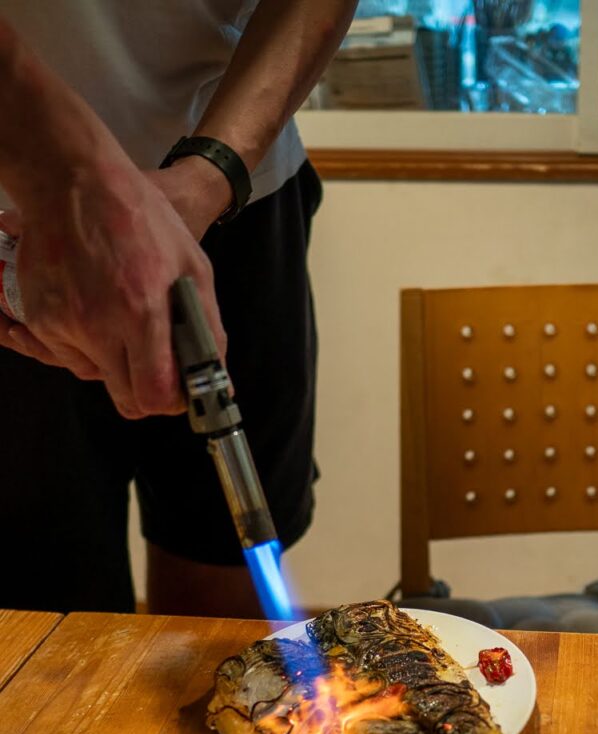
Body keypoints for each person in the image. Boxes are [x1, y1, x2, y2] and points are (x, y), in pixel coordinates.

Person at [0, 0, 357, 617]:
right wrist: (76, 186)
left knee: (219, 591)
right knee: (41, 618)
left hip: (237, 189)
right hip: (18, 227)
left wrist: (209, 174)